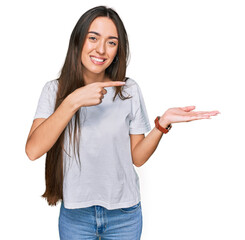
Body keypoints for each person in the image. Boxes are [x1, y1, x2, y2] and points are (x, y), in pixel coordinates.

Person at [25, 5, 220, 240]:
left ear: (118, 50)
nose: (101, 49)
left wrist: (163, 123)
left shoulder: (128, 90)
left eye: (111, 42)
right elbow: (33, 150)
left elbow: (137, 157)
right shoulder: (54, 91)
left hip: (125, 216)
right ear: (78, 40)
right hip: (76, 215)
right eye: (93, 38)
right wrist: (72, 102)